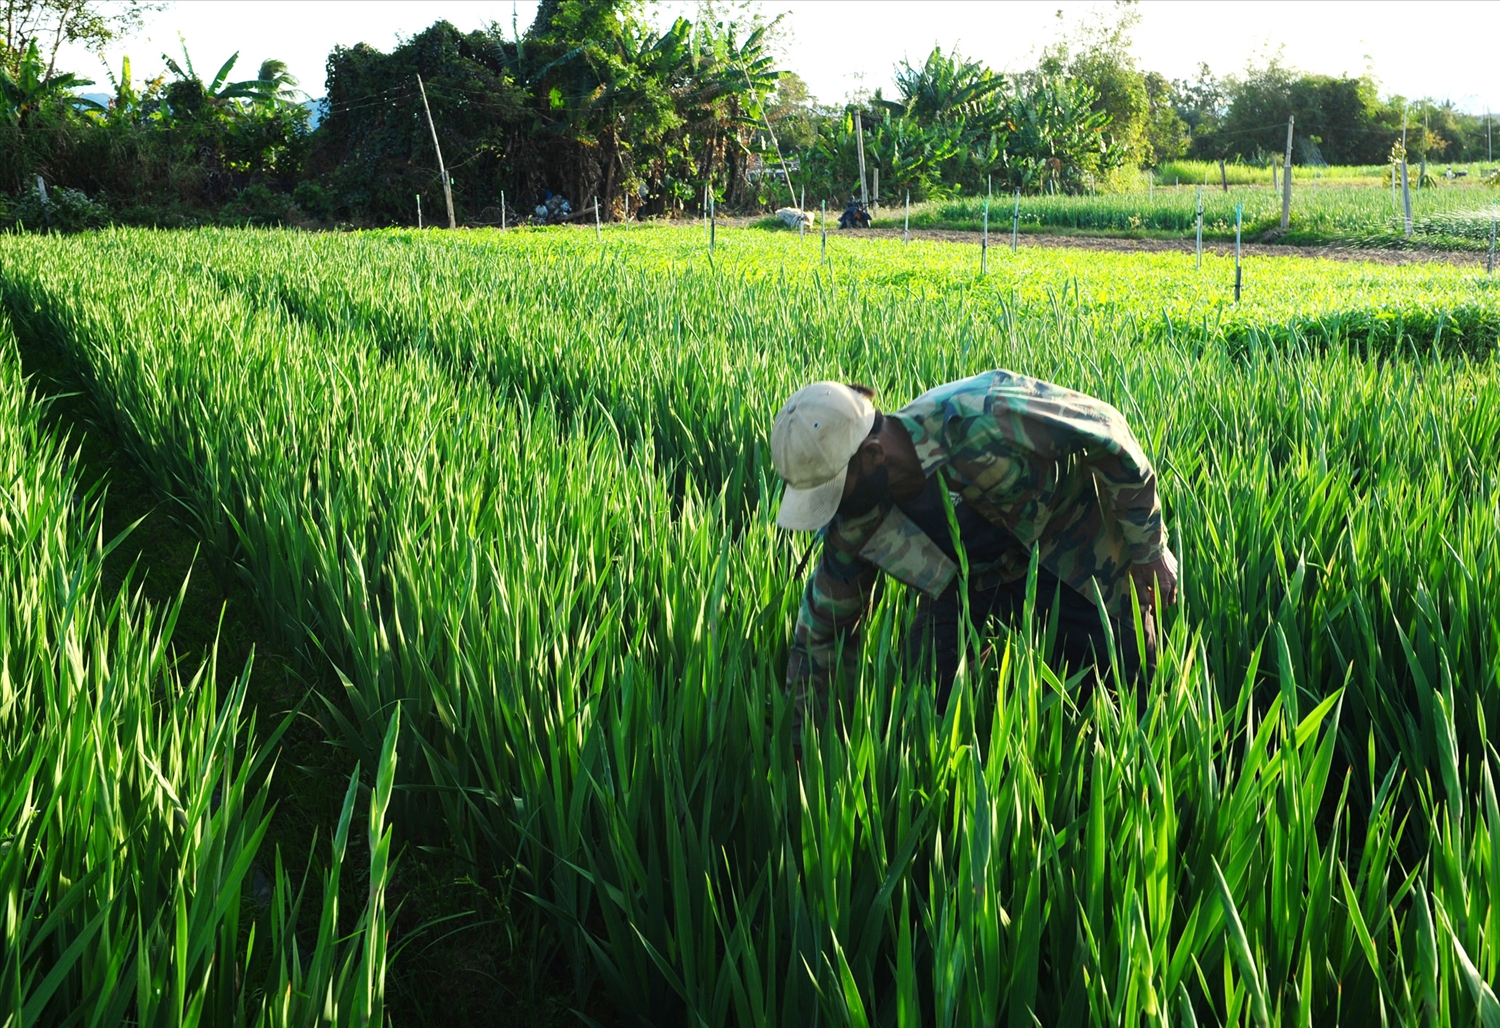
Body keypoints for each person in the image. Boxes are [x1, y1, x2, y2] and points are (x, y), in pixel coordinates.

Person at [770, 371, 1178, 733]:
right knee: (924, 707)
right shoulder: (856, 519)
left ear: (874, 455)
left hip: (1067, 552)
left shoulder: (982, 413)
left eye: (835, 493)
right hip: (967, 584)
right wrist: (802, 738)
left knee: (1126, 698)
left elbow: (1109, 433)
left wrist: (1149, 549)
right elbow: (823, 630)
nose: (835, 512)